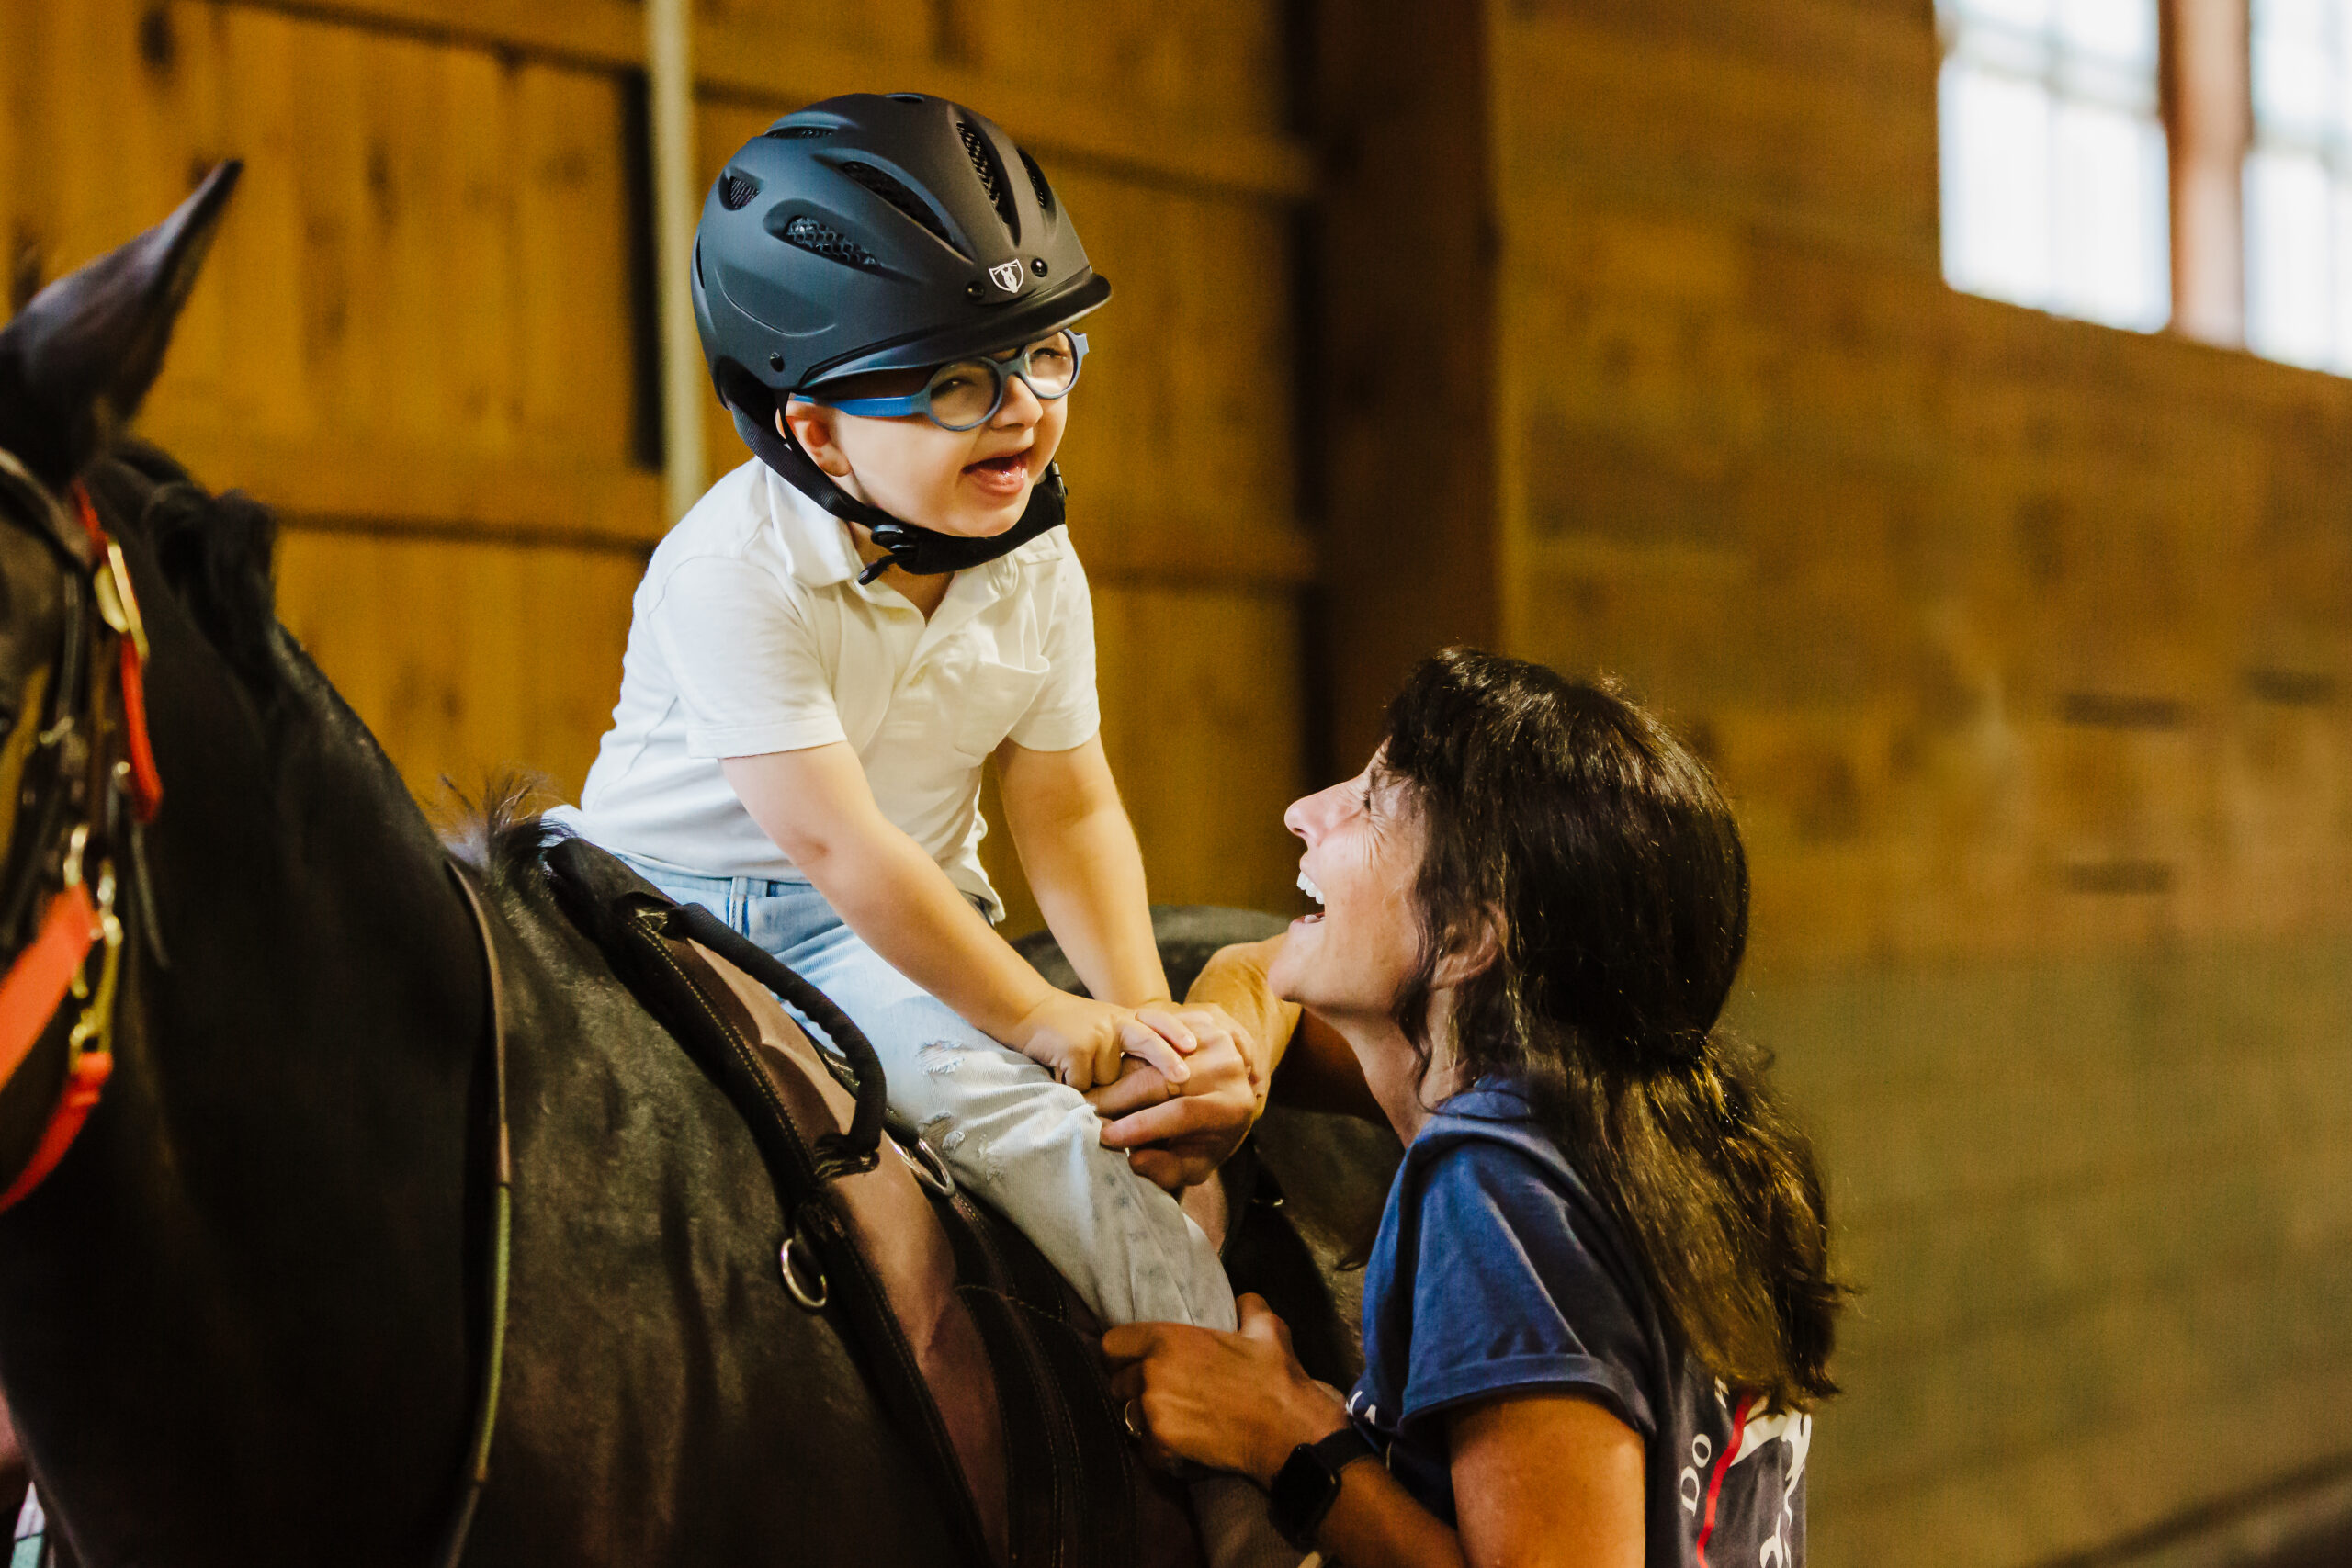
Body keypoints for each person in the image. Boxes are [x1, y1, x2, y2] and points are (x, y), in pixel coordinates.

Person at [549, 94, 1267, 1332]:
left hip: (917, 910)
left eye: (1048, 354)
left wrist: (1147, 1017)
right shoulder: (735, 569)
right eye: (951, 381)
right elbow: (843, 850)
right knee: (1062, 1157)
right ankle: (1252, 1505)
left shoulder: (1034, 559)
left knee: (1154, 1157)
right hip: (714, 916)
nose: (1024, 406)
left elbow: (1068, 797)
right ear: (815, 429)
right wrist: (1045, 1020)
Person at [1108, 649, 1846, 1566]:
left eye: (1370, 805)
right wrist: (1225, 1046)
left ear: (1465, 936)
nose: (1304, 815)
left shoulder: (1495, 1181)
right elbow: (1261, 977)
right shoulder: (1652, 1128)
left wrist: (1283, 1436)